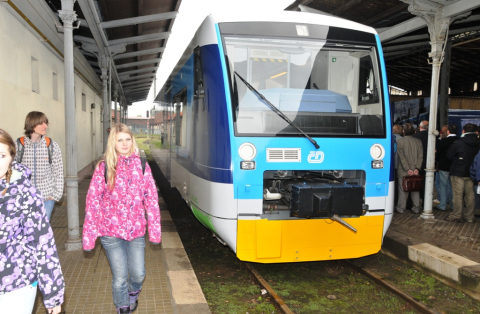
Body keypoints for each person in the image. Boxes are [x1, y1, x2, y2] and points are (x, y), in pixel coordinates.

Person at [83, 123, 161, 314]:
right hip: (110, 232)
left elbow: (151, 200)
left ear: (132, 140)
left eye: (127, 139)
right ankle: (122, 307)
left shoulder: (142, 166)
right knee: (119, 277)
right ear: (113, 143)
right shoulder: (104, 167)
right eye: (120, 140)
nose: (124, 144)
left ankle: (133, 292)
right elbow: (92, 202)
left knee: (138, 273)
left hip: (135, 231)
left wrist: (155, 231)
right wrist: (89, 236)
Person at [0, 128, 64, 314]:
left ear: (12, 157)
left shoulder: (25, 193)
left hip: (16, 286)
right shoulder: (23, 143)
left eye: (1, 155)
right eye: (41, 123)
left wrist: (55, 194)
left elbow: (43, 243)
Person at [15, 111, 64, 220]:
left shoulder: (51, 146)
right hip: (25, 197)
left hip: (47, 197)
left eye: (46, 123)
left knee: (42, 232)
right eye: (41, 123)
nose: (45, 126)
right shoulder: (18, 146)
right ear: (31, 124)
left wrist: (55, 195)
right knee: (26, 231)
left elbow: (59, 172)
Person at [445, 123, 480, 223]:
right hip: (472, 173)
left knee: (457, 195)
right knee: (470, 196)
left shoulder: (458, 142)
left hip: (458, 172)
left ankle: (455, 215)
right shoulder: (478, 143)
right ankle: (469, 217)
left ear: (463, 131)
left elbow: (449, 156)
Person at [396, 123, 423, 214]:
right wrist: (417, 168)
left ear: (403, 131)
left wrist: (408, 169)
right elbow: (420, 156)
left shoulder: (400, 142)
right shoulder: (418, 141)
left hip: (403, 170)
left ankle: (401, 208)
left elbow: (402, 157)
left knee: (403, 190)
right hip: (415, 170)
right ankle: (416, 208)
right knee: (415, 189)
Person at [435, 124, 457, 211]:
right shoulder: (459, 140)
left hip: (444, 166)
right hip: (455, 167)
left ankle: (442, 205)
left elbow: (438, 153)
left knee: (443, 186)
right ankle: (452, 205)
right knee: (453, 187)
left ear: (448, 131)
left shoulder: (443, 141)